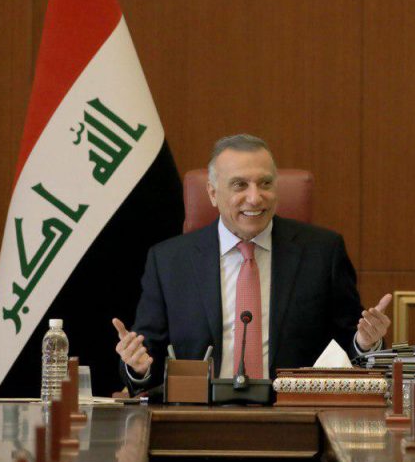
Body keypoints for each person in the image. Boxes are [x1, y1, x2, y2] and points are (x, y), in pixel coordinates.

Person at [112, 134, 391, 391]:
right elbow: (147, 358)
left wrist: (366, 343)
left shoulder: (322, 253)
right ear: (212, 193)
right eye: (240, 185)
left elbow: (350, 346)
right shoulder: (169, 261)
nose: (255, 198)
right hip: (199, 413)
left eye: (265, 183)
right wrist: (138, 367)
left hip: (295, 413)